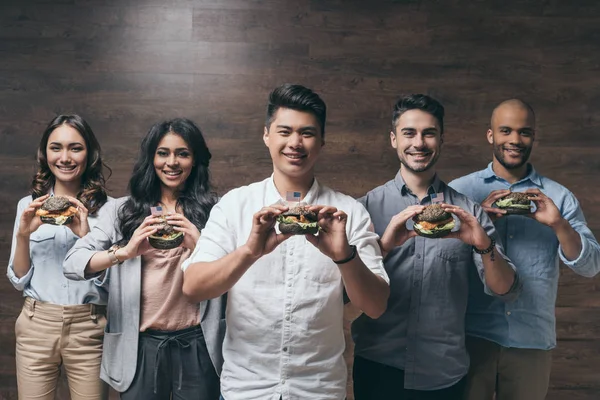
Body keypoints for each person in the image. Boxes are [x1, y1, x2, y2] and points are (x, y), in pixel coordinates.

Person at [181, 83, 390, 400]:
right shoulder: (235, 205)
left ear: (321, 141)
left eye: (307, 133)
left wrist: (345, 256)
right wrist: (250, 252)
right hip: (245, 388)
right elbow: (193, 287)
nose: (295, 143)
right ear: (266, 135)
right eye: (284, 131)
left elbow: (375, 306)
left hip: (318, 390)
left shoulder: (349, 212)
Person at [351, 94, 521, 400]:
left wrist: (483, 244)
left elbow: (506, 290)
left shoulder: (469, 213)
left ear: (441, 139)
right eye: (409, 133)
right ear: (393, 139)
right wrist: (384, 248)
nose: (419, 142)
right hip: (378, 369)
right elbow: (346, 295)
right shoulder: (363, 209)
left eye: (428, 133)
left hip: (445, 374)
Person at [449, 99, 600, 400]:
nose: (515, 140)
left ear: (534, 136)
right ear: (490, 135)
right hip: (468, 338)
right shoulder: (460, 191)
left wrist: (559, 224)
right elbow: (439, 261)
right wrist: (477, 221)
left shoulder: (559, 196)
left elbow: (591, 266)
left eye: (524, 132)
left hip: (531, 341)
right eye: (506, 130)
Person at [64, 118, 224, 400]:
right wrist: (124, 252)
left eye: (182, 153)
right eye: (163, 153)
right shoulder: (121, 211)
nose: (172, 162)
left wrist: (200, 245)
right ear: (151, 158)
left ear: (195, 159)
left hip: (199, 343)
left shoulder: (216, 211)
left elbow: (237, 274)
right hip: (139, 346)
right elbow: (73, 264)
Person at [7, 114, 110, 400]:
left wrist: (85, 237)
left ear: (89, 154)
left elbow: (110, 283)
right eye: (56, 147)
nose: (65, 157)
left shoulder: (111, 210)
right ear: (45, 153)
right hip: (36, 323)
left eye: (75, 148)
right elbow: (18, 279)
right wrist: (23, 235)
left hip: (89, 326)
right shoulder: (26, 206)